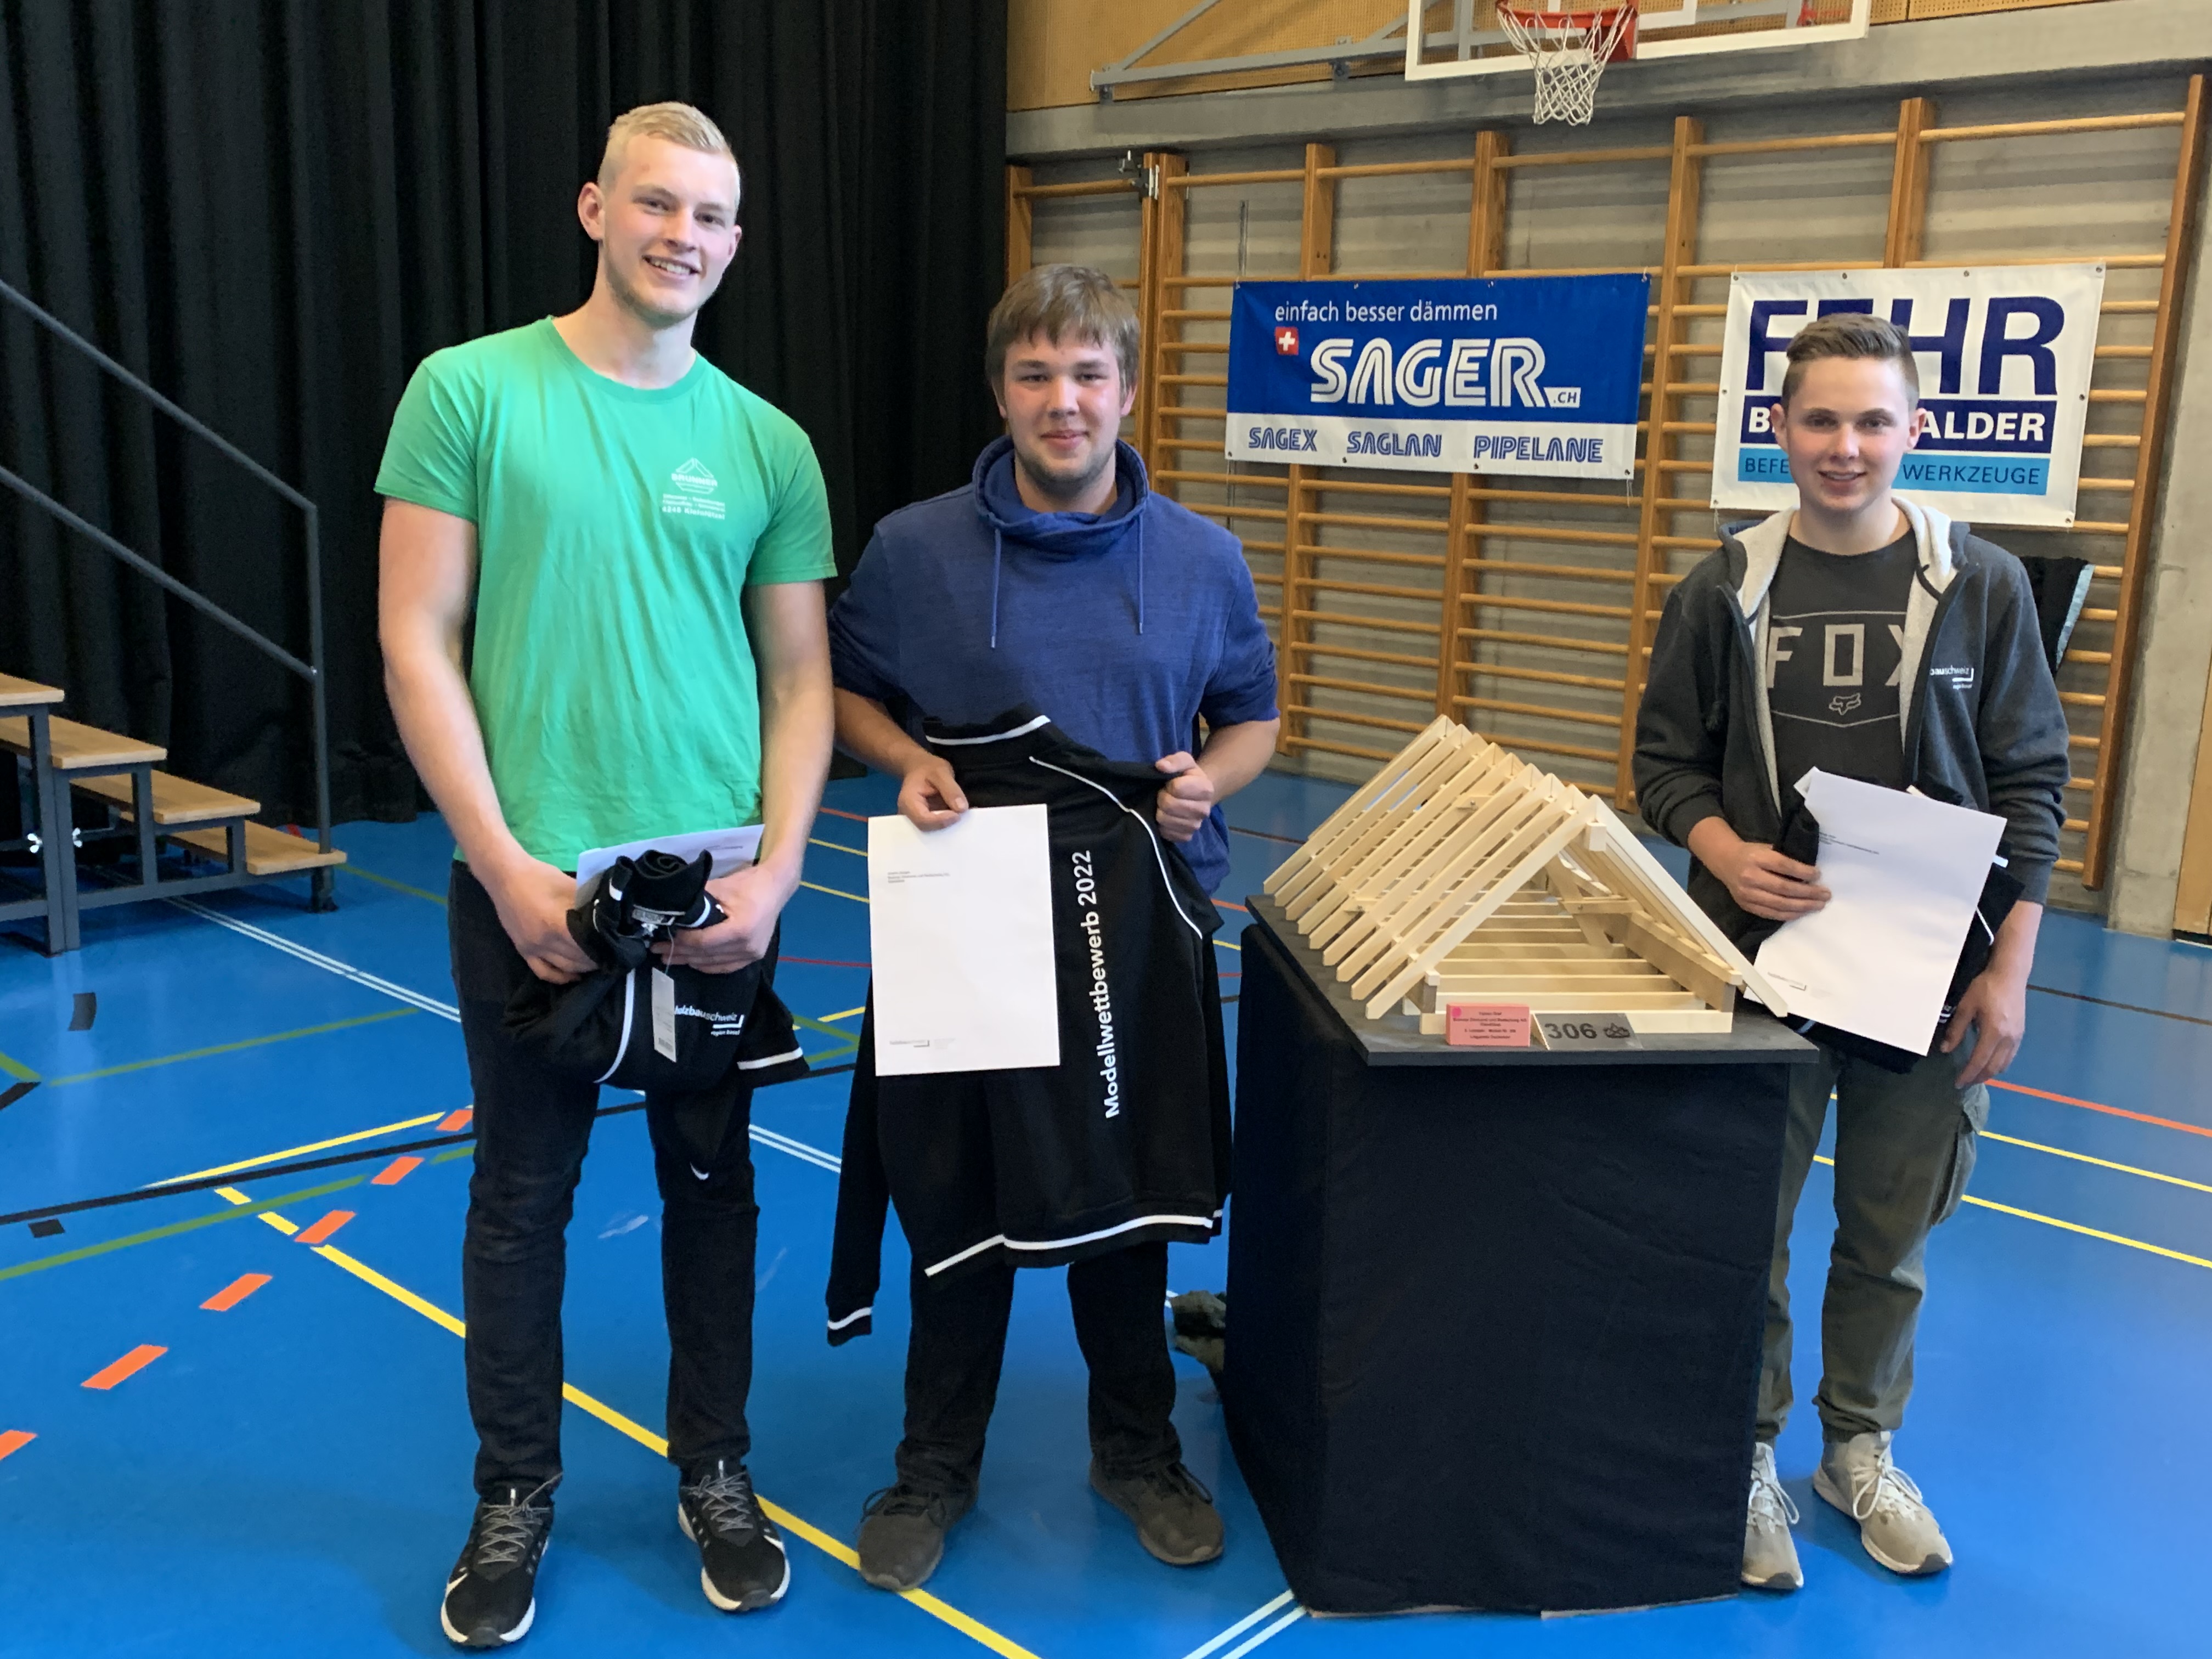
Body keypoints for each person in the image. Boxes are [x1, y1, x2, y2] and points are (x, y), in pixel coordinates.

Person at [376, 102, 836, 1647]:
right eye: (655, 203)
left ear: (735, 242)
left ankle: (716, 1469)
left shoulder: (769, 444)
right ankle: (515, 1491)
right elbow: (416, 637)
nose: (680, 236)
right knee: (522, 1201)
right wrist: (501, 865)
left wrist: (778, 877)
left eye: (709, 216)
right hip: (531, 885)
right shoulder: (468, 393)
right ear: (594, 207)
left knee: (713, 1191)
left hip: (717, 893)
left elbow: (800, 681)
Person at [826, 263, 1280, 1591]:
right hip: (964, 912)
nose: (1063, 400)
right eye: (1036, 374)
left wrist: (1210, 781)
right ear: (1001, 393)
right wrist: (906, 758)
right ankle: (933, 1465)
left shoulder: (1202, 558)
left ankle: (1136, 1450)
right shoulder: (914, 551)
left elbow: (1253, 715)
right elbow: (844, 690)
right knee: (956, 1195)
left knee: (1123, 1206)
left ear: (1127, 391)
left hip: (1135, 927)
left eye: (1088, 374)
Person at [1635, 312, 2068, 1593]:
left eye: (1874, 420)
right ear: (1778, 428)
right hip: (1763, 963)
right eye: (1820, 419)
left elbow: (2033, 783)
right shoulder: (1723, 588)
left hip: (1930, 977)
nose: (1846, 446)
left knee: (1890, 1236)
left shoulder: (1980, 583)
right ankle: (1746, 1448)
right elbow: (1664, 763)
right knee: (1748, 1228)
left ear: (1914, 430)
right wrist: (1723, 850)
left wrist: (2009, 970)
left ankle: (1858, 1450)